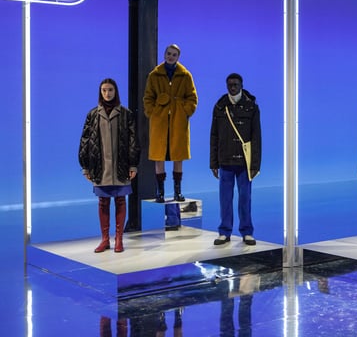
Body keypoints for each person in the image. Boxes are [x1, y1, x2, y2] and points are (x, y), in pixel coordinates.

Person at [79, 78, 140, 253]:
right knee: (103, 202)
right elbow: (85, 141)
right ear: (100, 92)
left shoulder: (126, 114)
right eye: (104, 90)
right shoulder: (93, 115)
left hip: (121, 165)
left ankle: (119, 239)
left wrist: (133, 165)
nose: (107, 93)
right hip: (100, 166)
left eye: (110, 90)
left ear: (116, 91)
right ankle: (105, 239)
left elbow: (133, 141)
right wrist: (86, 166)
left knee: (120, 200)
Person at [143, 44, 198, 231]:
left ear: (178, 57)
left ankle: (177, 192)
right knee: (159, 156)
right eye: (168, 54)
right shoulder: (155, 75)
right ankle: (160, 192)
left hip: (177, 121)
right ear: (164, 54)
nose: (171, 57)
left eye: (174, 55)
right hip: (160, 122)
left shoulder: (185, 75)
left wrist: (184, 111)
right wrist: (153, 112)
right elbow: (148, 98)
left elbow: (192, 98)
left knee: (177, 156)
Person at [210, 73, 261, 246]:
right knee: (225, 198)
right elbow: (214, 135)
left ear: (241, 85)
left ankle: (247, 231)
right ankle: (224, 231)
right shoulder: (220, 106)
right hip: (225, 160)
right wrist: (213, 163)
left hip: (244, 161)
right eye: (230, 85)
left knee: (245, 197)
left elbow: (256, 137)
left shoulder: (252, 106)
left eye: (235, 84)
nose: (232, 87)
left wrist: (255, 164)